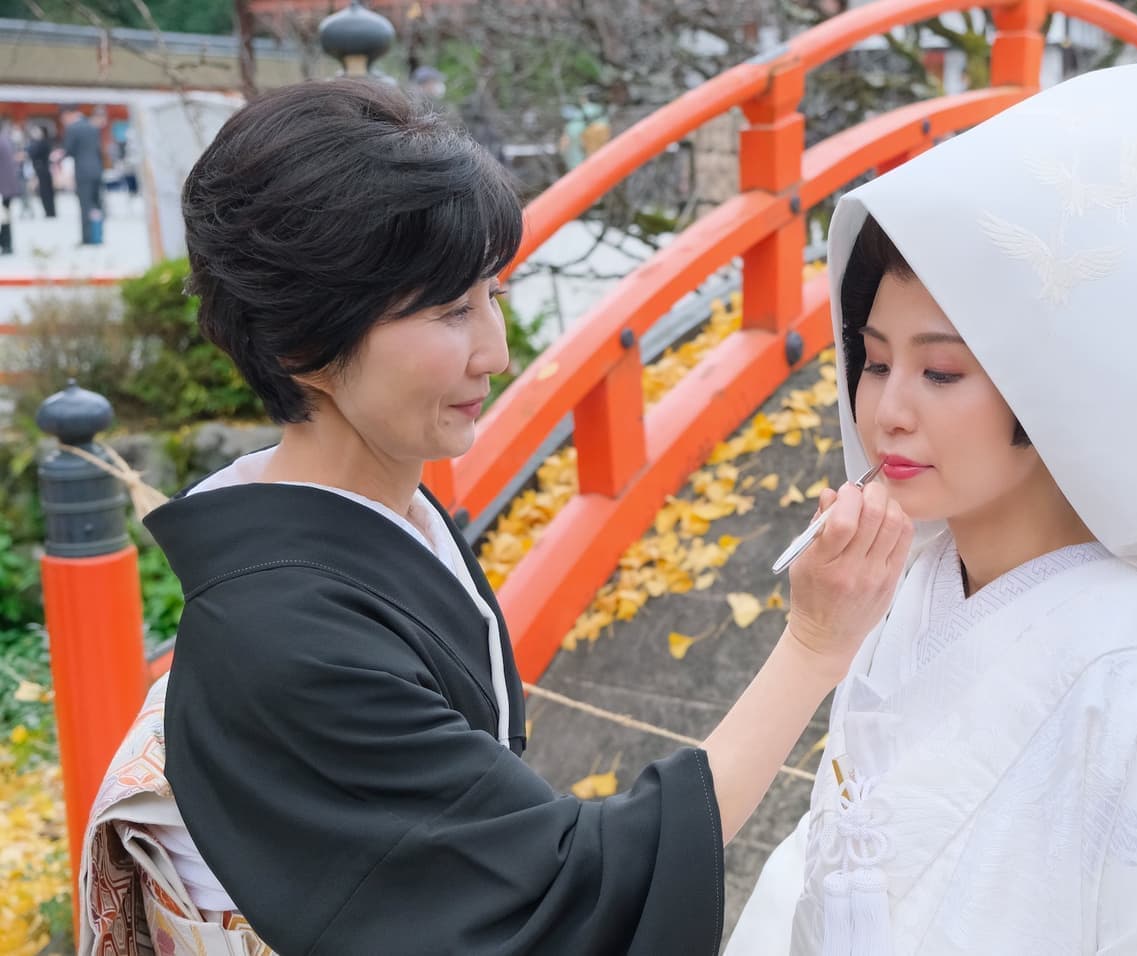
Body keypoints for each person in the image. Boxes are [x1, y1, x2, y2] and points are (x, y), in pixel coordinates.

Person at [78, 78, 913, 955]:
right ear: (302, 347)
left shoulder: (384, 521)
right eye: (449, 313)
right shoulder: (283, 640)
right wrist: (815, 645)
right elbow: (562, 896)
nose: (496, 350)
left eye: (491, 296)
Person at [728, 62, 1137, 955]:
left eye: (941, 371)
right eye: (875, 361)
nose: (888, 409)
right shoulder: (898, 595)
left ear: (1052, 385)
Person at [61, 106, 105, 244]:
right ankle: (98, 235)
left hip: (83, 171)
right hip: (97, 170)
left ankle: (87, 238)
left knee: (85, 205)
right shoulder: (92, 127)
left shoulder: (73, 129)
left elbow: (68, 150)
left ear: (68, 114)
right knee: (97, 204)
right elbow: (99, 150)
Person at [25, 123, 56, 219]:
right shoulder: (39, 142)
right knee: (45, 192)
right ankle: (49, 211)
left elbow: (32, 153)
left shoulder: (43, 143)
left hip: (43, 169)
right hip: (42, 169)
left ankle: (50, 211)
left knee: (46, 192)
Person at [0, 122, 20, 255]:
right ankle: (6, 244)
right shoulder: (5, 139)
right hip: (7, 186)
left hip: (2, 187)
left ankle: (6, 244)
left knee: (3, 217)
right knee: (4, 217)